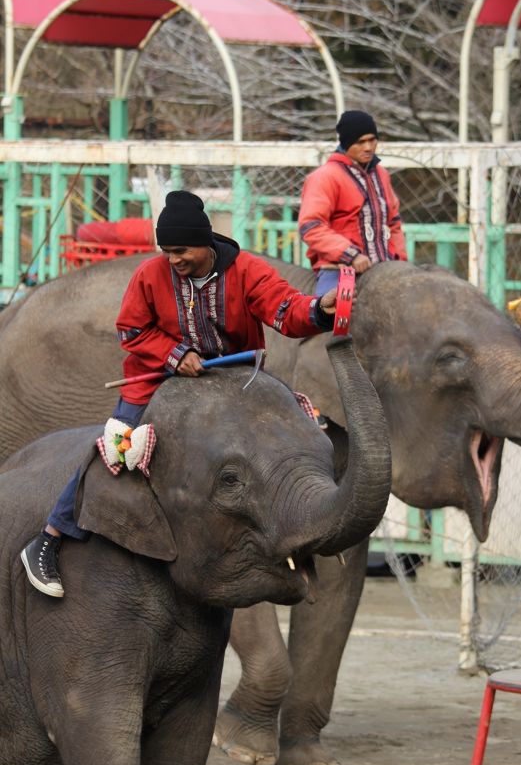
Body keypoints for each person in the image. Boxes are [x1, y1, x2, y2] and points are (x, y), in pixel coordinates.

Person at [21, 189, 338, 598]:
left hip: (235, 378)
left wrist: (319, 310)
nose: (173, 260)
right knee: (114, 449)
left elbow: (284, 309)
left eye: (181, 250)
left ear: (206, 243)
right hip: (156, 378)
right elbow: (132, 331)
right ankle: (49, 538)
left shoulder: (246, 271)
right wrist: (174, 355)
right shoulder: (150, 276)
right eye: (167, 251)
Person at [298, 109, 407, 299]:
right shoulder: (324, 177)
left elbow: (393, 222)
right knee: (333, 320)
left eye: (372, 140)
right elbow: (311, 227)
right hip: (338, 269)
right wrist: (351, 255)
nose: (368, 147)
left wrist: (401, 259)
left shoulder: (381, 174)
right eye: (360, 142)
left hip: (386, 267)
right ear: (347, 143)